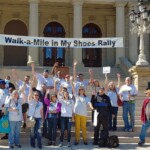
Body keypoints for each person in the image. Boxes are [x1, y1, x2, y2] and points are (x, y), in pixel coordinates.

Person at [70, 76, 94, 145]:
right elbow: (73, 89)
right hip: (77, 114)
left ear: (84, 91)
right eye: (80, 90)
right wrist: (71, 81)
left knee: (83, 127)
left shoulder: (86, 98)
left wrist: (92, 108)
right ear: (79, 91)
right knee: (77, 128)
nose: (81, 91)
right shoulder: (76, 96)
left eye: (82, 90)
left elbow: (89, 103)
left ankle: (85, 140)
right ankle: (77, 140)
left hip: (84, 114)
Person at [28, 78, 44, 149]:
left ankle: (39, 144)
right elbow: (29, 93)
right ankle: (32, 143)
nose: (36, 96)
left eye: (37, 95)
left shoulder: (40, 103)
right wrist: (31, 84)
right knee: (32, 132)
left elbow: (41, 111)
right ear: (33, 96)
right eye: (35, 95)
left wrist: (43, 119)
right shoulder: (30, 101)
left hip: (39, 118)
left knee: (39, 132)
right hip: (32, 118)